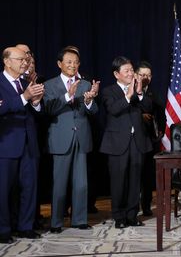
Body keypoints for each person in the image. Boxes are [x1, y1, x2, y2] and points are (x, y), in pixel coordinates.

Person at [43, 46, 99, 233]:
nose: (73, 65)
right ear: (60, 64)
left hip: (81, 136)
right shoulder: (50, 85)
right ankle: (56, 222)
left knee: (81, 183)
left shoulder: (84, 84)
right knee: (59, 183)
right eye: (69, 62)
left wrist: (90, 100)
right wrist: (68, 95)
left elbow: (94, 111)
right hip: (61, 138)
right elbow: (49, 110)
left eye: (76, 62)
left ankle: (79, 219)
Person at [100, 56, 153, 229]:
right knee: (118, 181)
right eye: (127, 71)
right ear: (117, 74)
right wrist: (128, 96)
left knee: (135, 181)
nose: (131, 73)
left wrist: (138, 92)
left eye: (132, 70)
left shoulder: (139, 89)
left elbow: (148, 107)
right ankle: (119, 217)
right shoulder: (109, 91)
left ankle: (132, 215)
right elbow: (113, 110)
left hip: (137, 141)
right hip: (117, 143)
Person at [0, 47, 44, 243]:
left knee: (29, 187)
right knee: (3, 190)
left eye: (26, 60)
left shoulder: (27, 82)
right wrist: (24, 98)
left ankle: (26, 227)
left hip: (29, 144)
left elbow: (35, 113)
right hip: (6, 144)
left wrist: (35, 102)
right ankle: (3, 229)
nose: (25, 63)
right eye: (20, 59)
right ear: (7, 62)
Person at [136, 61, 165, 217]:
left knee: (148, 176)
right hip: (133, 140)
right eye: (142, 74)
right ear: (135, 75)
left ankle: (146, 206)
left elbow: (161, 114)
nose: (145, 77)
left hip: (150, 140)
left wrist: (160, 131)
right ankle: (132, 208)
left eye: (148, 75)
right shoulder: (130, 91)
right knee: (135, 176)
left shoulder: (155, 93)